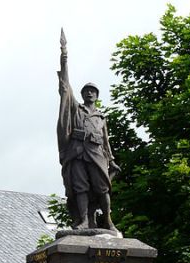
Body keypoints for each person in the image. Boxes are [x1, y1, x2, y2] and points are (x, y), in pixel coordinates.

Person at [57, 30, 120, 230]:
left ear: (97, 96)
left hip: (96, 152)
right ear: (83, 94)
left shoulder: (101, 117)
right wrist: (64, 60)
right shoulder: (76, 108)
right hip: (77, 151)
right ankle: (84, 220)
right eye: (86, 91)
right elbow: (66, 88)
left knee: (102, 187)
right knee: (80, 187)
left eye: (93, 91)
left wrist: (111, 160)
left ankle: (108, 221)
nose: (90, 93)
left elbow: (106, 140)